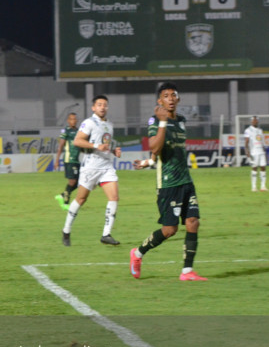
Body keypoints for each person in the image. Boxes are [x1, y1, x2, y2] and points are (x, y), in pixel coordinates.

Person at [130, 82, 207, 281]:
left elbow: (165, 152)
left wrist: (149, 162)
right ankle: (137, 253)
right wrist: (163, 122)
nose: (170, 99)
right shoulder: (155, 120)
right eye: (166, 96)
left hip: (186, 182)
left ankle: (187, 271)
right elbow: (155, 147)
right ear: (159, 101)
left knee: (193, 222)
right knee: (169, 230)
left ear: (178, 99)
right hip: (168, 185)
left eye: (173, 95)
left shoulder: (181, 120)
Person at [61, 95, 121, 246]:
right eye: (99, 104)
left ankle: (106, 234)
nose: (102, 107)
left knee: (114, 197)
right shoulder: (88, 123)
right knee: (81, 199)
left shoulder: (110, 124)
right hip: (90, 167)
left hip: (106, 167)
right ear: (93, 108)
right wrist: (96, 146)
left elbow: (104, 144)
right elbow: (77, 141)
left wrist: (113, 150)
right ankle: (66, 230)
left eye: (105, 105)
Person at [54, 112, 81, 210]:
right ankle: (65, 203)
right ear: (68, 120)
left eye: (74, 119)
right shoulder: (66, 131)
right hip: (69, 160)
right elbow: (60, 146)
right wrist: (57, 160)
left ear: (77, 120)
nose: (73, 121)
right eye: (71, 119)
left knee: (79, 182)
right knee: (72, 181)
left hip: (76, 160)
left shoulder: (79, 131)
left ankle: (61, 196)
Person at [243, 116, 268, 192]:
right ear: (251, 121)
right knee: (254, 168)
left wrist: (264, 150)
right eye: (254, 120)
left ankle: (263, 187)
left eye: (256, 120)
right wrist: (247, 151)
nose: (255, 121)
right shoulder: (248, 130)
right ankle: (254, 187)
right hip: (254, 152)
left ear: (258, 121)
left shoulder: (260, 130)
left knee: (263, 167)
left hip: (261, 151)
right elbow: (246, 142)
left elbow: (261, 141)